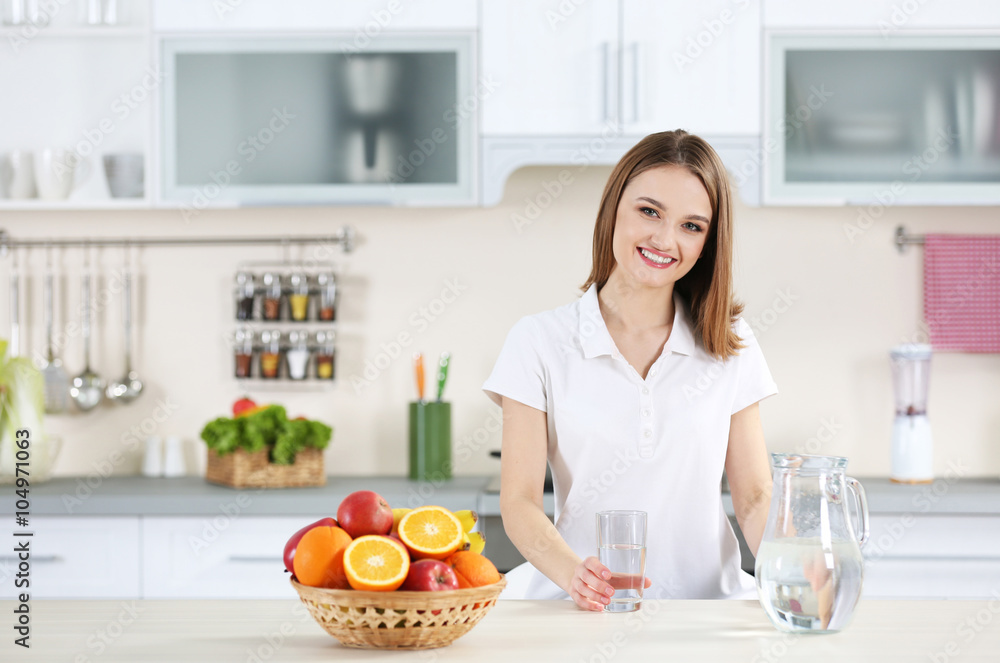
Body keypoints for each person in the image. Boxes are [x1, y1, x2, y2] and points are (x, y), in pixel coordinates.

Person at [481, 130, 777, 610]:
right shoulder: (537, 342)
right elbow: (519, 503)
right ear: (613, 208)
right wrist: (574, 575)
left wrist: (795, 573)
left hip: (706, 613)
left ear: (708, 242)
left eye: (692, 226)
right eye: (649, 211)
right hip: (580, 612)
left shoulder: (730, 341)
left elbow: (755, 498)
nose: (665, 239)